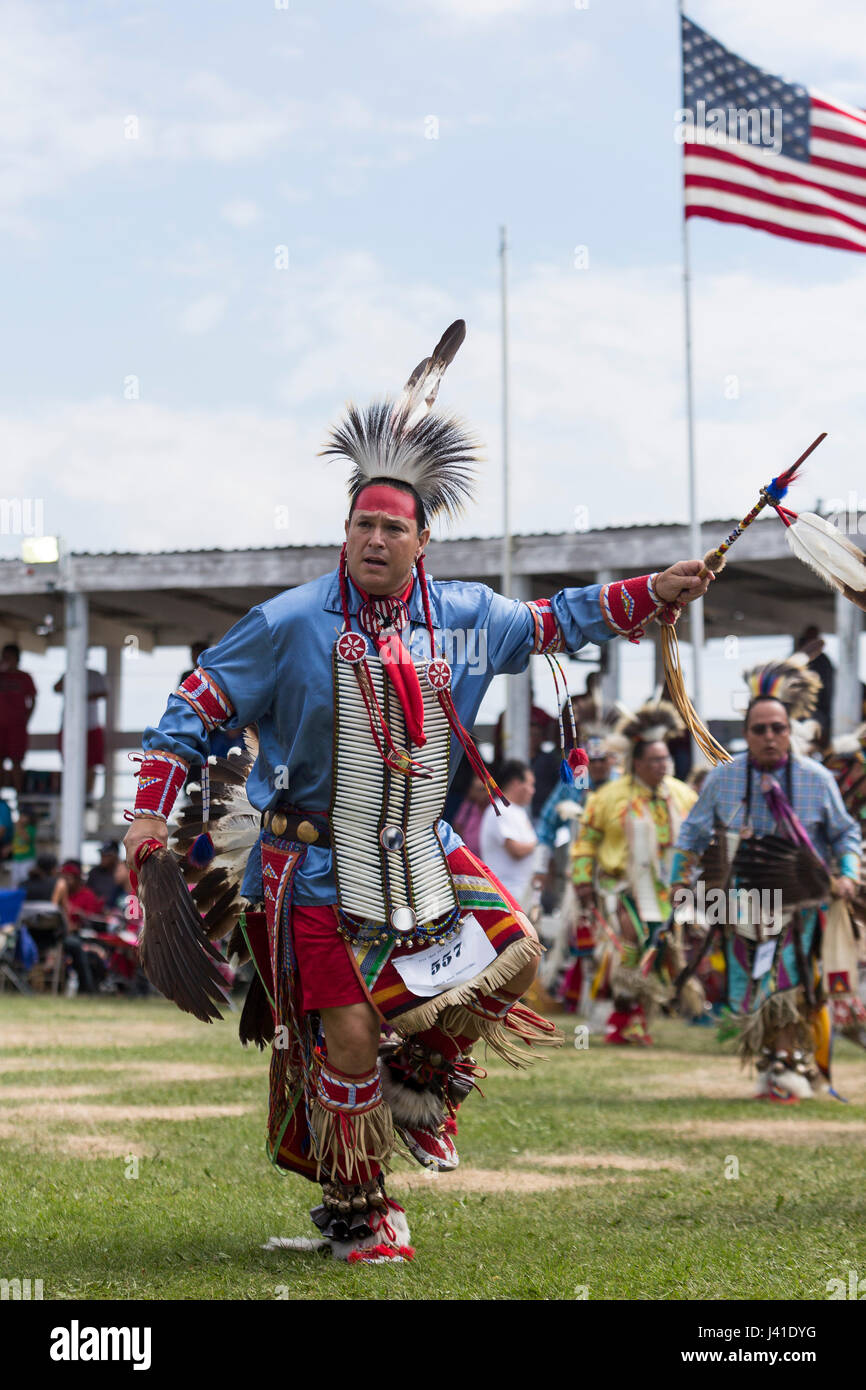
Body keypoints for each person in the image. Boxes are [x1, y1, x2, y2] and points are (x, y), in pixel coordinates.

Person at [122, 318, 712, 1263]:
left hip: (418, 850)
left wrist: (654, 591)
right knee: (349, 1034)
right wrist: (151, 813)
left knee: (515, 961)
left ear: (423, 540)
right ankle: (363, 1209)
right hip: (307, 863)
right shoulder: (289, 624)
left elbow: (558, 621)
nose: (375, 539)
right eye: (362, 524)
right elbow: (194, 705)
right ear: (344, 530)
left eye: (393, 527)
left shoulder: (469, 619)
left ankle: (423, 1081)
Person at [672, 655, 860, 1101]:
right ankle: (776, 1066)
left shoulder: (816, 779)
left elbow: (845, 832)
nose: (771, 736)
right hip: (745, 902)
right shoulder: (724, 780)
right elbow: (694, 832)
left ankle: (785, 1069)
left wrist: (848, 873)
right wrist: (681, 881)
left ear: (789, 728)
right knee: (753, 984)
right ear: (747, 732)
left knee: (790, 981)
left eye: (778, 728)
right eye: (760, 729)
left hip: (802, 903)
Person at [572, 702, 697, 1044]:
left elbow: (697, 840)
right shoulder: (610, 797)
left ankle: (636, 1017)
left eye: (666, 758)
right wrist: (582, 879)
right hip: (621, 886)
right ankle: (620, 1017)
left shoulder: (682, 795)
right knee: (630, 945)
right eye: (655, 760)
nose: (663, 765)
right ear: (637, 762)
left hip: (667, 890)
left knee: (656, 952)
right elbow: (586, 841)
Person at [479, 760, 539, 912]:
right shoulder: (499, 810)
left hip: (521, 895)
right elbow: (516, 850)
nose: (533, 791)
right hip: (505, 897)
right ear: (515, 783)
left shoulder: (517, 811)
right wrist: (537, 843)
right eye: (530, 784)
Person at [54, 668, 109, 797]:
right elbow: (56, 688)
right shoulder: (69, 673)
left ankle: (88, 794)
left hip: (91, 724)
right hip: (69, 725)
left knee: (91, 764)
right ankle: (73, 794)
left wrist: (83, 696)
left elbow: (104, 693)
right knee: (70, 762)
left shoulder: (95, 674)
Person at [0, 644, 37, 792]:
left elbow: (33, 700)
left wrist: (26, 719)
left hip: (17, 727)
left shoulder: (24, 677)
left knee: (16, 762)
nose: (6, 659)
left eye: (9, 656)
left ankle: (19, 796)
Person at [795, 625, 834, 747]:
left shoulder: (823, 661)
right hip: (799, 710)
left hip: (819, 710)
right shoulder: (796, 660)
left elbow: (828, 689)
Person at [87, 840, 126, 909]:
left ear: (115, 855)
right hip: (96, 913)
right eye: (101, 854)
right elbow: (87, 894)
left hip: (120, 912)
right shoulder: (94, 873)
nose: (102, 857)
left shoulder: (123, 873)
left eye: (106, 855)